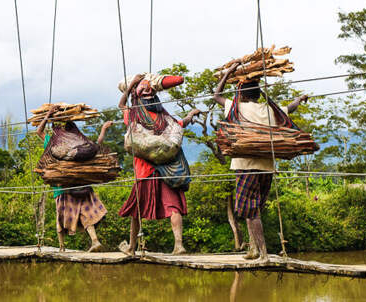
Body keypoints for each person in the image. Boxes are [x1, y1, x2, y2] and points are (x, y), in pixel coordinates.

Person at [213, 61, 308, 262]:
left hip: (245, 167)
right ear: (257, 95)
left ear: (242, 94)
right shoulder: (270, 110)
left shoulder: (236, 107)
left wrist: (229, 72)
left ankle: (263, 254)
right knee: (253, 209)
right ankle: (253, 249)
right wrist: (300, 99)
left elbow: (216, 96)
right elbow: (290, 108)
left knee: (251, 211)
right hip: (266, 168)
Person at [117, 73, 201, 255]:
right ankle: (178, 245)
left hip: (145, 170)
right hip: (167, 169)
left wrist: (133, 84)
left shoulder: (136, 114)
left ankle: (132, 248)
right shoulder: (158, 116)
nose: (149, 92)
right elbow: (180, 124)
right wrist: (190, 115)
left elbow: (122, 105)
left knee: (137, 211)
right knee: (173, 207)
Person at [36, 106, 113, 252]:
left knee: (63, 216)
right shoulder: (76, 142)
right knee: (84, 214)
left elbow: (38, 131)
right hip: (75, 187)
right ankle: (90, 241)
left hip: (67, 187)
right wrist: (103, 129)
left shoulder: (58, 142)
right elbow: (97, 145)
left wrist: (47, 115)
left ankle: (64, 247)